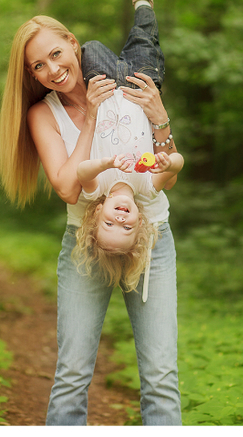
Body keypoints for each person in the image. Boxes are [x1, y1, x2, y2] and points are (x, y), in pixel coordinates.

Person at [0, 0, 181, 425]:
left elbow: (168, 174)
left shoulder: (126, 88)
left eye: (55, 54)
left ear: (73, 44)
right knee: (73, 371)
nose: (52, 70)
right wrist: (93, 117)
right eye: (38, 66)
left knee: (160, 375)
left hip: (151, 238)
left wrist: (160, 118)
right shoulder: (44, 113)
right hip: (85, 244)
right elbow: (65, 185)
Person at [73, 82, 184, 295]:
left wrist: (106, 164)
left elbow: (81, 172)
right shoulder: (147, 186)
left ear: (97, 212)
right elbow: (178, 162)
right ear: (140, 222)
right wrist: (169, 164)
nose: (120, 221)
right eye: (126, 229)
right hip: (136, 85)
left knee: (95, 47)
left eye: (108, 224)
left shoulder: (98, 189)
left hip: (104, 86)